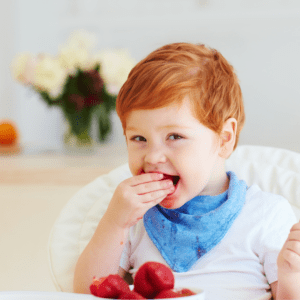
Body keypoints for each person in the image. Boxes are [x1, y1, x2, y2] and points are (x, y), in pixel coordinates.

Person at [73, 43, 300, 299]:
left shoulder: (266, 215)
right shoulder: (133, 217)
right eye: (138, 138)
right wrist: (115, 222)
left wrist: (291, 274)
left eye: (174, 136)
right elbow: (84, 293)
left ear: (224, 139)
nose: (153, 156)